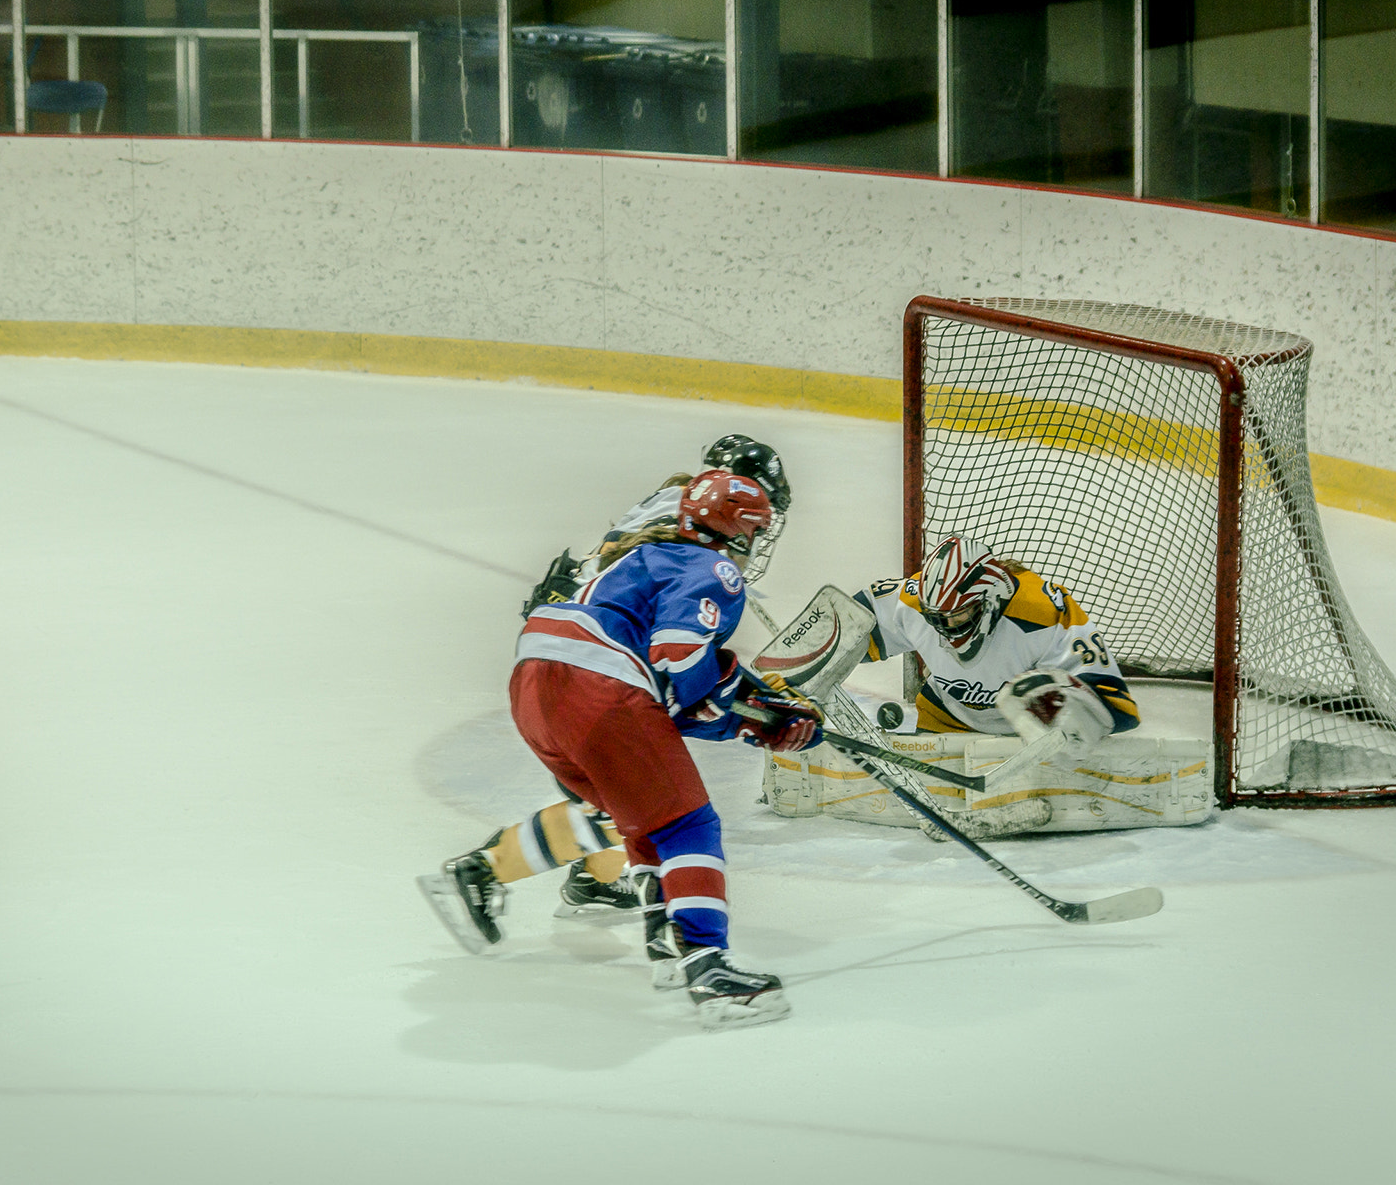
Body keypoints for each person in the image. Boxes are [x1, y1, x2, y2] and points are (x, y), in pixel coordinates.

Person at [421, 470, 823, 1030]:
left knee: (634, 818)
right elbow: (679, 662)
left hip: (533, 679)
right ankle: (711, 971)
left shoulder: (648, 547)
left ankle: (666, 947)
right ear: (741, 527)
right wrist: (755, 713)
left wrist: (746, 717)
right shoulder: (715, 567)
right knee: (687, 825)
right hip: (596, 680)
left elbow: (668, 698)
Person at [513, 435, 794, 918]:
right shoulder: (699, 538)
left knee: (617, 797)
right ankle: (486, 870)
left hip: (556, 645)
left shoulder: (681, 500)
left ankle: (588, 876)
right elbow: (678, 650)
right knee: (651, 801)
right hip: (595, 659)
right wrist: (734, 700)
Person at [855, 533, 1139, 745]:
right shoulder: (912, 601)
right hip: (944, 725)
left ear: (990, 599)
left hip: (1024, 741)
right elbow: (840, 627)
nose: (948, 628)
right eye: (939, 619)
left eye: (959, 615)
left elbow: (1117, 705)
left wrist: (1068, 705)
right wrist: (812, 684)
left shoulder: (1045, 611)